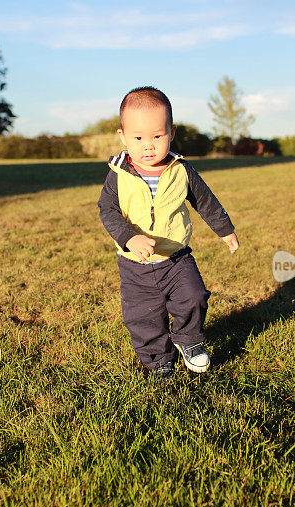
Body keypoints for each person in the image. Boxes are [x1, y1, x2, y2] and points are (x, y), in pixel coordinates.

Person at [98, 86, 240, 379]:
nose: (148, 146)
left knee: (194, 296)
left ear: (171, 133)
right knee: (142, 316)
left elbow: (205, 201)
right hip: (135, 264)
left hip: (176, 258)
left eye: (157, 136)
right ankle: (158, 359)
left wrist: (225, 230)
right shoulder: (119, 175)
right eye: (138, 138)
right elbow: (107, 211)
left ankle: (189, 341)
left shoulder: (181, 170)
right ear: (123, 136)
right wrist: (129, 237)